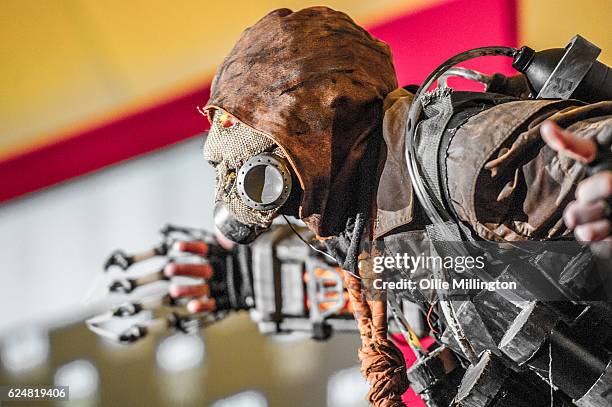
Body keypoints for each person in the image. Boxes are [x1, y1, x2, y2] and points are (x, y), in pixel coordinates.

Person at [164, 7, 611, 406]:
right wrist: (245, 280)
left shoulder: (464, 163)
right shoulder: (376, 213)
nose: (289, 211)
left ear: (320, 121)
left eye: (271, 180)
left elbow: (592, 152)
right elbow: (464, 280)